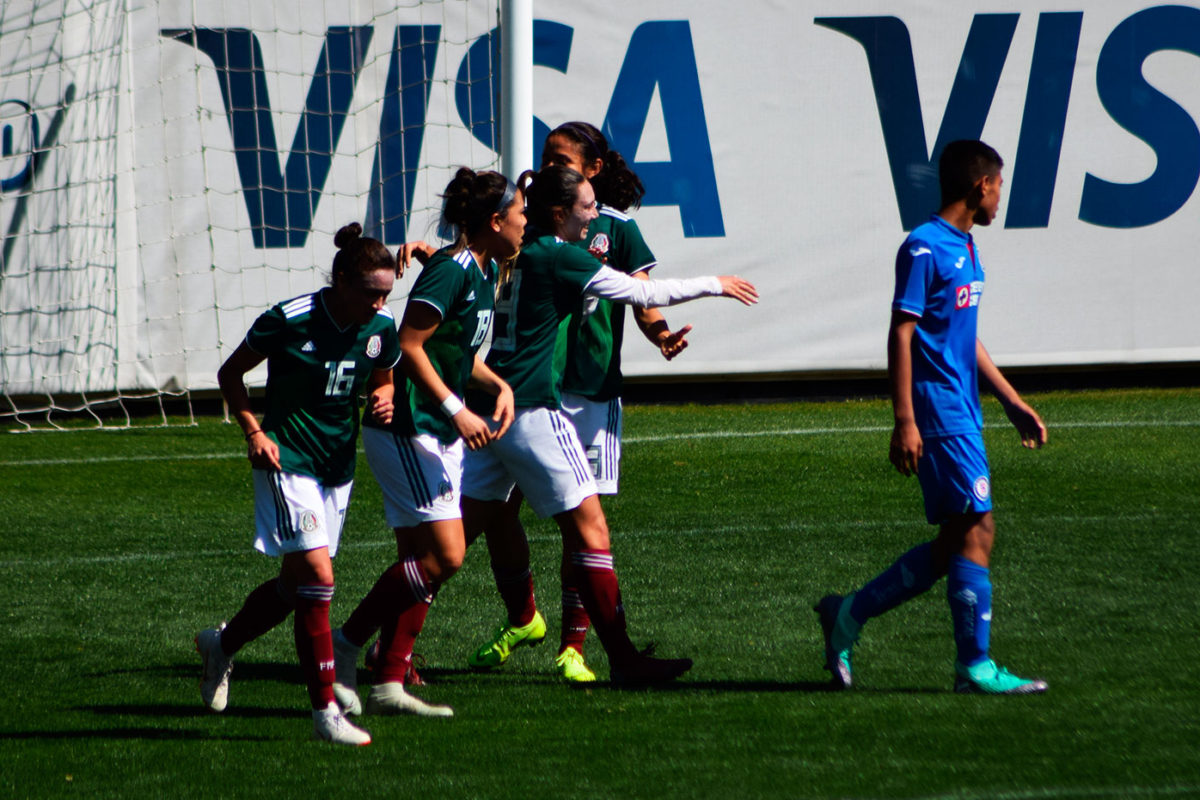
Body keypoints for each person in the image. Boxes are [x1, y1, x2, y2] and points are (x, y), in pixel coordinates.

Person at [460, 165, 758, 686]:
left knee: (450, 542)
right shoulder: (556, 254)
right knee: (591, 530)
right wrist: (717, 283)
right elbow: (642, 294)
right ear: (559, 213)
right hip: (528, 410)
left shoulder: (511, 254)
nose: (595, 214)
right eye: (588, 205)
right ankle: (624, 661)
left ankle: (385, 650)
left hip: (488, 407)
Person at [814, 140, 1049, 695]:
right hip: (939, 413)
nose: (1000, 197)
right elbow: (902, 331)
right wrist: (905, 421)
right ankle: (974, 666)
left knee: (954, 545)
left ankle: (846, 614)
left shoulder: (966, 247)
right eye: (998, 186)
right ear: (980, 186)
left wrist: (1011, 401)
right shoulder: (923, 247)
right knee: (978, 528)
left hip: (963, 409)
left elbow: (963, 338)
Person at [195, 223, 401, 745]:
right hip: (287, 460)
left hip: (337, 469)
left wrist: (386, 397)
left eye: (386, 294)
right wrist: (255, 432)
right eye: (372, 293)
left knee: (296, 587)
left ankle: (222, 645)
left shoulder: (380, 329)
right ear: (341, 282)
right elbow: (229, 374)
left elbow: (383, 374)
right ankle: (325, 712)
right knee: (319, 578)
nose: (379, 304)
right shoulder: (290, 319)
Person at [326, 168, 521, 717]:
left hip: (436, 431)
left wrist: (497, 385)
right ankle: (346, 643)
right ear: (494, 220)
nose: (525, 223)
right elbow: (409, 345)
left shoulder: (483, 272)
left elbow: (462, 356)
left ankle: (388, 682)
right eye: (521, 214)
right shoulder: (451, 271)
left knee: (421, 559)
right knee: (447, 555)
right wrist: (457, 410)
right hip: (410, 427)